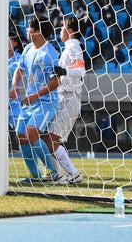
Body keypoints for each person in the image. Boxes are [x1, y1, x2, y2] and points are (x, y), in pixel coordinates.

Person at [10, 15, 60, 183]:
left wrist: (36, 95)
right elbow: (20, 68)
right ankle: (34, 173)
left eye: (29, 27)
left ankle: (52, 171)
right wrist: (14, 85)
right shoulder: (28, 48)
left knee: (31, 133)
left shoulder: (49, 53)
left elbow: (56, 81)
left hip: (46, 102)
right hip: (30, 102)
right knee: (20, 135)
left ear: (38, 31)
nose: (26, 30)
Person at [42, 17, 85, 185]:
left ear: (71, 31)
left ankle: (73, 174)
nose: (60, 30)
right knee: (48, 136)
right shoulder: (68, 47)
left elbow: (81, 70)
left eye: (63, 28)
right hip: (64, 97)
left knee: (49, 138)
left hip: (69, 97)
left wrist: (63, 70)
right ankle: (60, 174)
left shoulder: (73, 46)